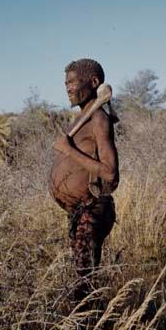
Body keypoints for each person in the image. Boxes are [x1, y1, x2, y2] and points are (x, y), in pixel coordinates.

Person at [49, 58, 119, 303]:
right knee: (85, 278)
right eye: (65, 83)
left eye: (73, 82)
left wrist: (68, 150)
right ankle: (91, 329)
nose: (67, 88)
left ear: (94, 82)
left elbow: (110, 173)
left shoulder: (99, 118)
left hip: (93, 208)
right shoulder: (82, 119)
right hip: (78, 212)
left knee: (83, 283)